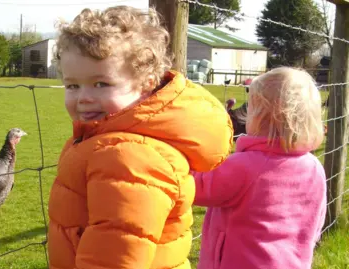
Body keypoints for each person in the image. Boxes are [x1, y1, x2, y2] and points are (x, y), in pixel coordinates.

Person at [47, 5, 233, 269]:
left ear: (146, 83)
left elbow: (114, 258)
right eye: (72, 86)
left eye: (101, 84)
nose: (83, 98)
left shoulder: (129, 157)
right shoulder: (108, 140)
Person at [192, 67, 327, 269]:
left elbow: (195, 186)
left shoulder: (246, 166)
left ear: (260, 117)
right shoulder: (314, 168)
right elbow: (316, 223)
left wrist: (182, 155)